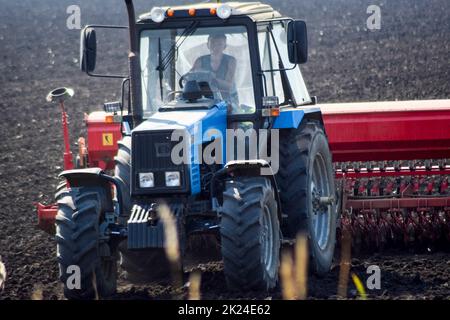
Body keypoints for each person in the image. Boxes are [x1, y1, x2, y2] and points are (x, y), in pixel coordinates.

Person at [191, 34, 239, 108]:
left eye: (219, 44)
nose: (216, 46)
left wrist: (211, 78)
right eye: (213, 43)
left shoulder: (231, 61)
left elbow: (228, 86)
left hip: (228, 100)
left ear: (225, 46)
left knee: (229, 109)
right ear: (208, 45)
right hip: (205, 100)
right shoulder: (200, 61)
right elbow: (191, 80)